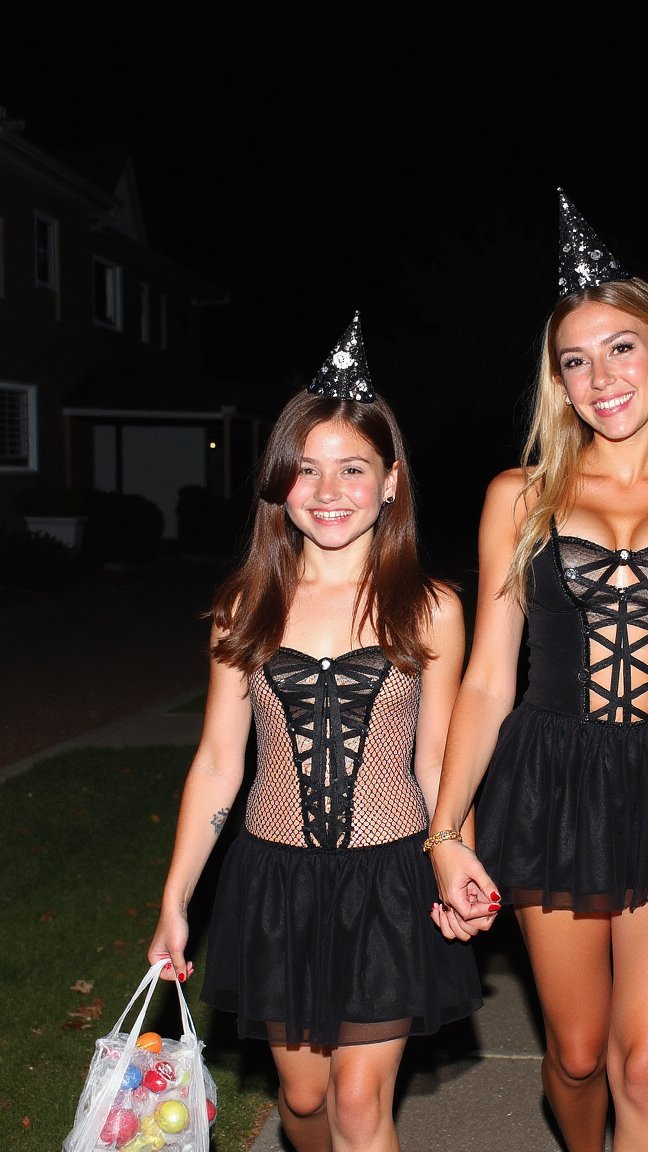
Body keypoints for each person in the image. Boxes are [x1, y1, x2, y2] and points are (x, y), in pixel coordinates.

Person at [425, 191, 648, 1152]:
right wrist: (446, 829)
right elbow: (491, 677)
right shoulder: (522, 494)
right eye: (575, 360)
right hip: (550, 779)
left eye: (621, 347)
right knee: (578, 1057)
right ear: (559, 382)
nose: (601, 376)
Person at [147, 314, 480, 1152]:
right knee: (304, 1103)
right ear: (277, 484)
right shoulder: (244, 604)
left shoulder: (431, 606)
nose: (328, 491)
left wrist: (457, 860)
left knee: (363, 1106)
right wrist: (176, 899)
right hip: (274, 882)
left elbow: (442, 755)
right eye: (306, 471)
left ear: (392, 480)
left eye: (352, 469)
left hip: (389, 879)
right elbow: (221, 760)